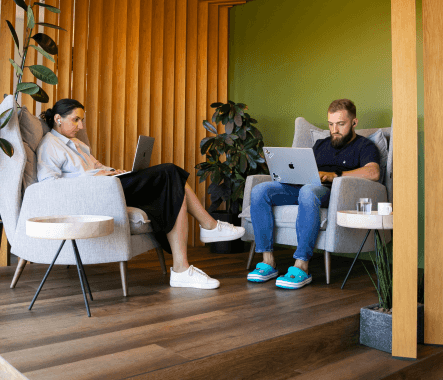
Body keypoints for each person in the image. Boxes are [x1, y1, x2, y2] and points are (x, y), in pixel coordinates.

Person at [37, 99, 246, 290]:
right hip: (97, 194)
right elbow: (50, 186)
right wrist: (93, 177)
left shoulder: (79, 144)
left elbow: (97, 166)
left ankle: (182, 268)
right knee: (170, 171)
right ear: (58, 119)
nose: (81, 126)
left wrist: (111, 170)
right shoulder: (50, 145)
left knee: (173, 186)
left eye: (81, 120)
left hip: (110, 185)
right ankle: (209, 227)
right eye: (76, 120)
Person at [247, 99, 380, 289]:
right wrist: (289, 173)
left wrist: (334, 176)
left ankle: (301, 266)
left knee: (308, 192)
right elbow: (305, 169)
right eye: (331, 124)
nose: (334, 129)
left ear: (354, 122)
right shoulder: (320, 144)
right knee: (261, 190)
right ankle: (268, 262)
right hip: (304, 186)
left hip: (331, 192)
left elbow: (373, 173)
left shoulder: (364, 146)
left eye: (340, 124)